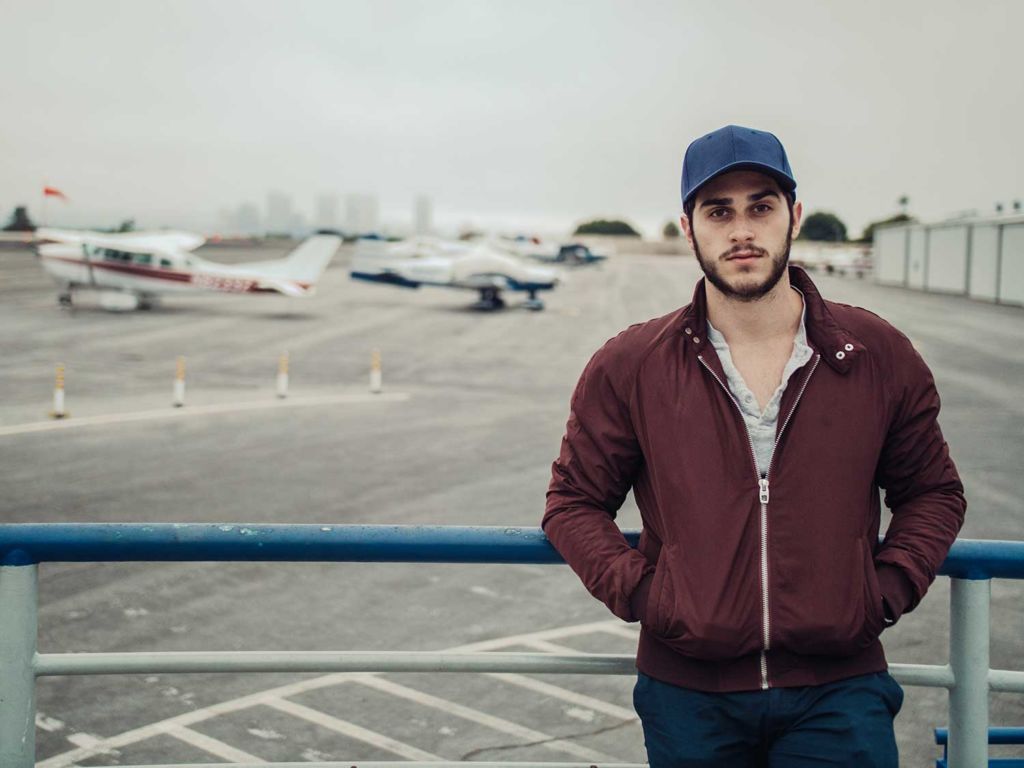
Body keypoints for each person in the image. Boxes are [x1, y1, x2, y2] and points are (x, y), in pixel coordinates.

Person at [542, 124, 966, 767]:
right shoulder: (631, 365)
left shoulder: (876, 354)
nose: (741, 230)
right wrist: (648, 598)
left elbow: (933, 491)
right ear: (689, 227)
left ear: (793, 216)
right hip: (689, 696)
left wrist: (881, 591)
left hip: (839, 691)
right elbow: (572, 502)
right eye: (719, 211)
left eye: (760, 206)